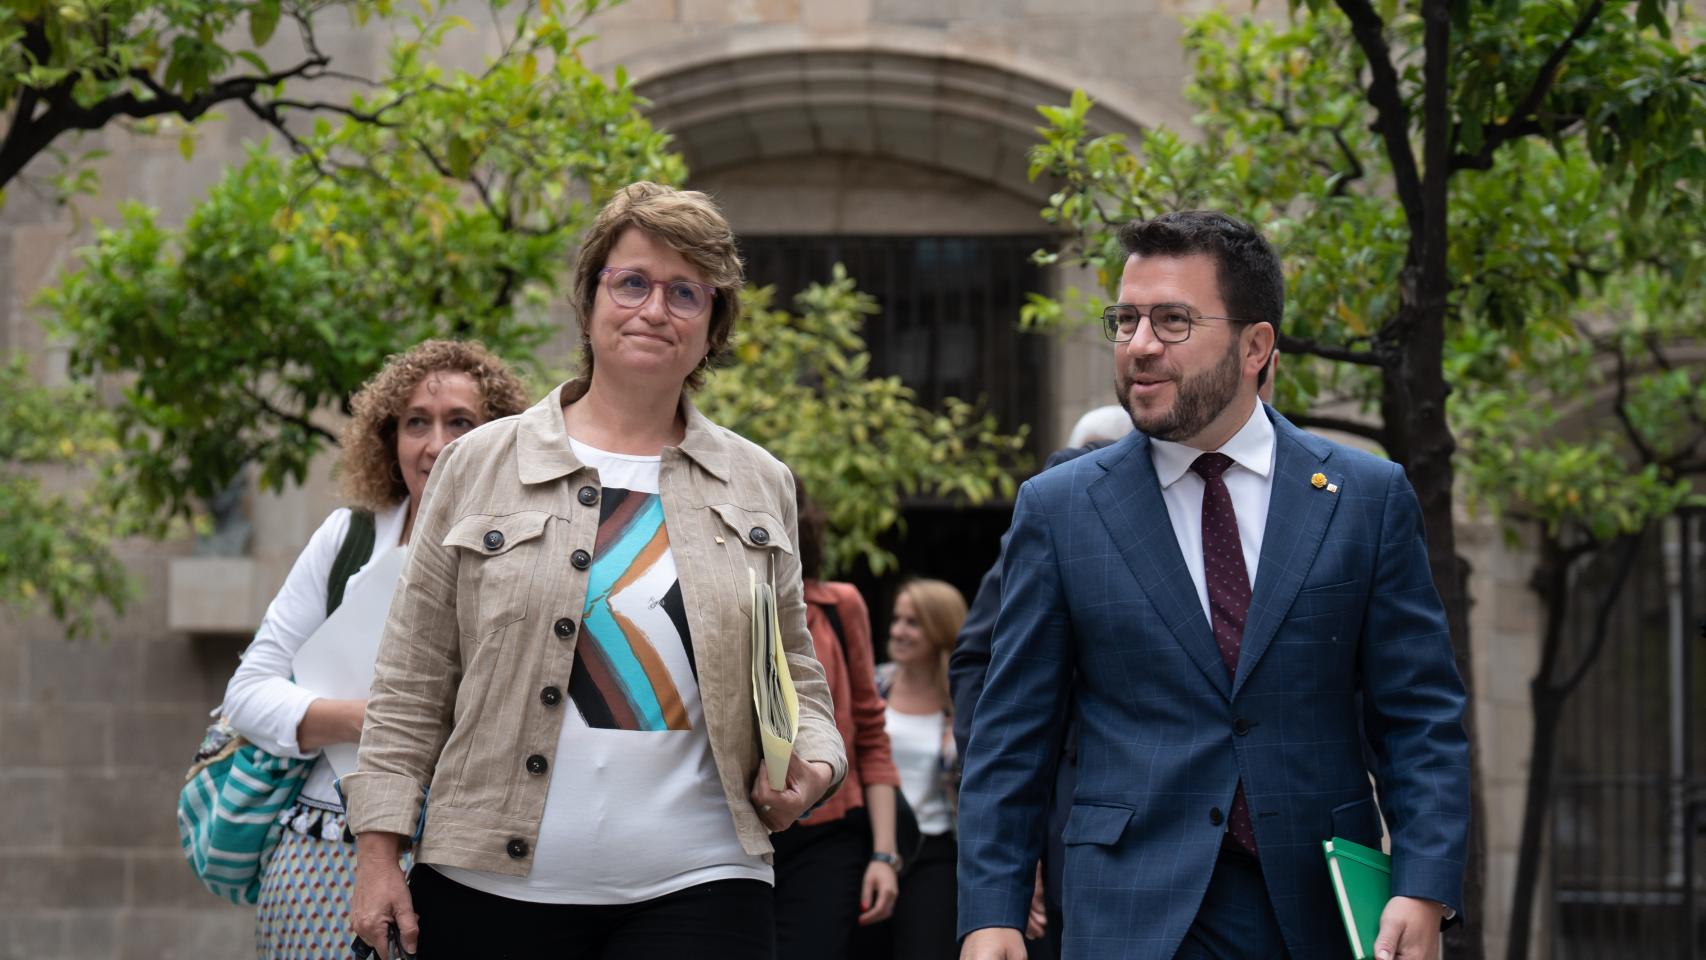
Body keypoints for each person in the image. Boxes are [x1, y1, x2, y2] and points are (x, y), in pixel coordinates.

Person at [343, 181, 847, 960]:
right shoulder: (480, 464)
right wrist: (378, 851)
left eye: (686, 292)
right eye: (633, 282)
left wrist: (813, 765)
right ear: (589, 302)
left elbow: (797, 676)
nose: (655, 309)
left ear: (713, 325)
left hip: (703, 881)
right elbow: (412, 677)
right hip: (490, 886)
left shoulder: (759, 481)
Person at [957, 211, 1470, 960]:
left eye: (1172, 321)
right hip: (1131, 909)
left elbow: (1419, 715)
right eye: (1125, 320)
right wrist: (990, 911)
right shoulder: (1061, 507)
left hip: (1314, 909)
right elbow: (1011, 733)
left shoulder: (1365, 496)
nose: (1139, 347)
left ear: (1255, 346)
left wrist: (1423, 883)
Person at [220, 339, 530, 959]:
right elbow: (247, 694)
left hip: (466, 857)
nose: (435, 444)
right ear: (389, 437)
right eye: (417, 422)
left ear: (497, 438)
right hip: (323, 853)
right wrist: (371, 720)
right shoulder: (349, 539)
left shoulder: (530, 554)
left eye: (460, 423)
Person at [771, 471, 904, 960]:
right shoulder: (713, 606)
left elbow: (871, 733)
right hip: (733, 831)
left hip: (826, 832)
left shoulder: (838, 606)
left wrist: (884, 855)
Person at [854, 578, 966, 960]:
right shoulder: (872, 685)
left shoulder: (966, 703)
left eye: (913, 623)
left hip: (934, 853)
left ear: (940, 630)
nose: (898, 631)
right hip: (870, 844)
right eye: (897, 619)